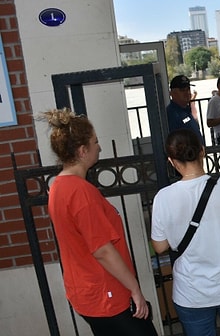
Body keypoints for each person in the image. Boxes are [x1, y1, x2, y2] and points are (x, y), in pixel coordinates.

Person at [43, 108, 158, 336]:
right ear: (82, 150)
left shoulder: (58, 186)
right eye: (95, 142)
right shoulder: (80, 192)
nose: (100, 147)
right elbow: (102, 250)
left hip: (88, 292)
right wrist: (134, 289)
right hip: (107, 294)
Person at [151, 128, 220, 336]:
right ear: (202, 151)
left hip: (192, 293)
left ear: (171, 161)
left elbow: (160, 246)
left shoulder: (163, 198)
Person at [167, 74, 205, 145]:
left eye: (188, 89)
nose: (187, 93)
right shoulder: (172, 114)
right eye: (182, 90)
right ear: (172, 93)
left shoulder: (186, 109)